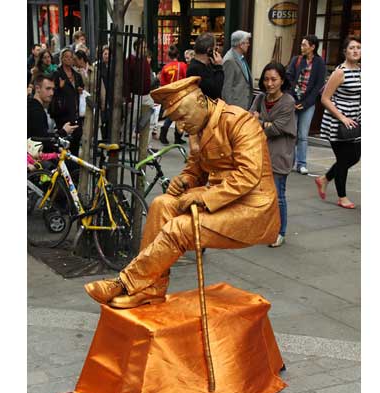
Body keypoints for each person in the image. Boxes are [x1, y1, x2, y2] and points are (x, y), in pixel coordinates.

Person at [83, 76, 280, 309]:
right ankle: (151, 289)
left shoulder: (240, 122)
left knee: (180, 229)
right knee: (161, 204)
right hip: (224, 202)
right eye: (176, 121)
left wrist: (204, 196)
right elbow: (195, 168)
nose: (181, 127)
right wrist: (186, 179)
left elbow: (249, 174)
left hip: (253, 208)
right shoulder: (198, 127)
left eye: (183, 118)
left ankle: (125, 281)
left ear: (200, 101)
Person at [250, 62, 296, 248]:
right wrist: (264, 123)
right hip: (260, 154)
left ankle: (280, 232)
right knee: (260, 194)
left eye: (274, 79)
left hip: (279, 155)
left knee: (278, 195)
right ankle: (265, 228)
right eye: (266, 79)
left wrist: (261, 122)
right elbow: (249, 119)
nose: (269, 83)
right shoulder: (260, 98)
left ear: (282, 80)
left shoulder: (288, 102)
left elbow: (275, 129)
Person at [317, 36, 361, 209]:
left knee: (354, 156)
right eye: (352, 48)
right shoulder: (340, 72)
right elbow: (325, 99)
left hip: (355, 122)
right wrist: (342, 117)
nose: (356, 50)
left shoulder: (360, 70)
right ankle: (342, 197)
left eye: (358, 47)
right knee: (344, 159)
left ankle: (324, 179)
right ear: (345, 51)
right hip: (338, 123)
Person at [285, 35, 327, 175]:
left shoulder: (319, 63)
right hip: (294, 101)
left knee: (303, 135)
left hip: (308, 104)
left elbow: (318, 86)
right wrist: (294, 100)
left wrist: (305, 103)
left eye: (304, 45)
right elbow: (288, 78)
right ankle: (290, 162)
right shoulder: (296, 60)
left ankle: (301, 163)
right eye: (301, 45)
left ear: (312, 47)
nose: (302, 47)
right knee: (292, 134)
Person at [49, 48, 85, 176]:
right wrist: (60, 87)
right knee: (64, 144)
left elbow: (82, 88)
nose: (69, 59)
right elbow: (52, 92)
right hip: (62, 113)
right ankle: (64, 172)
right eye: (66, 57)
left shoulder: (76, 75)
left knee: (76, 141)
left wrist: (80, 89)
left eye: (71, 57)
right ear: (62, 59)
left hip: (75, 112)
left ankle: (74, 172)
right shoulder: (57, 74)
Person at [27, 74, 78, 153]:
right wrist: (63, 131)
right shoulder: (35, 110)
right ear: (37, 89)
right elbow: (41, 140)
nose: (51, 93)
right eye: (48, 89)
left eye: (53, 89)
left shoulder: (34, 106)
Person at [125, 39, 154, 170]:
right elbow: (126, 80)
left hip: (146, 95)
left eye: (145, 47)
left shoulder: (144, 60)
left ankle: (144, 145)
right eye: (142, 47)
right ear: (136, 48)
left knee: (148, 120)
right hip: (135, 95)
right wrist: (128, 98)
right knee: (131, 121)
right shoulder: (131, 60)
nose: (144, 49)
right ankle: (128, 142)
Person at [158, 45, 188, 145]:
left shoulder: (165, 68)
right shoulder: (183, 65)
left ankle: (163, 134)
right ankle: (177, 136)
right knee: (180, 116)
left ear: (168, 56)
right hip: (181, 94)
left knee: (171, 115)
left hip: (170, 94)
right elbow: (187, 80)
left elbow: (162, 84)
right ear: (178, 55)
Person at [186, 33, 224, 101]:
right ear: (209, 51)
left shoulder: (205, 65)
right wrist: (219, 67)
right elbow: (215, 92)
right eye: (215, 49)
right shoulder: (195, 69)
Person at [221, 31, 254, 110]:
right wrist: (230, 110)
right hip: (235, 108)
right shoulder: (230, 60)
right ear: (241, 44)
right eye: (246, 43)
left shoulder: (240, 57)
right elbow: (226, 88)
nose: (248, 45)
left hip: (243, 105)